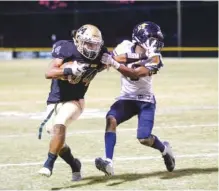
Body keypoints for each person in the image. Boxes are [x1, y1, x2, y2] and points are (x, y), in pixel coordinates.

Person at [95, 21, 175, 176]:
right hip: (127, 98)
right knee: (111, 118)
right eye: (151, 39)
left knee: (144, 138)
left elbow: (134, 73)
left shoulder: (156, 59)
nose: (155, 44)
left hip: (145, 101)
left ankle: (165, 150)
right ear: (140, 37)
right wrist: (116, 60)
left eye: (156, 40)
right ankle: (108, 162)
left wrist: (115, 62)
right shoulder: (124, 45)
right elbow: (117, 58)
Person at [38, 24, 108, 181]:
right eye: (89, 43)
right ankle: (74, 165)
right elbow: (49, 72)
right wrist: (68, 70)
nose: (93, 48)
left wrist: (110, 63)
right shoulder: (67, 49)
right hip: (55, 99)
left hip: (76, 100)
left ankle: (48, 164)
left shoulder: (101, 54)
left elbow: (103, 65)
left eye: (96, 44)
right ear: (78, 41)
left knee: (60, 123)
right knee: (55, 134)